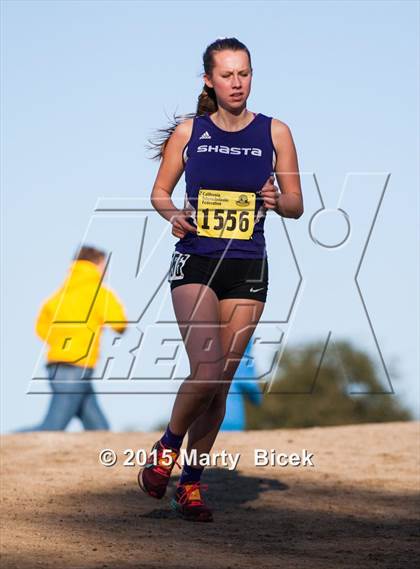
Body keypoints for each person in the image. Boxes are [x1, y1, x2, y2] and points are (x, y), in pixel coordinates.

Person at [138, 37, 303, 522]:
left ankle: (189, 486)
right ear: (209, 79)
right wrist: (173, 214)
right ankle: (167, 448)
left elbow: (295, 204)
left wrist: (278, 198)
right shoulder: (190, 132)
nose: (237, 83)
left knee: (222, 383)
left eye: (244, 73)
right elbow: (159, 192)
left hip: (248, 265)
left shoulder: (276, 133)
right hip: (197, 259)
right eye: (227, 75)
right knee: (206, 370)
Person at [25, 245, 127, 431]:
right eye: (103, 265)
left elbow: (40, 328)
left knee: (100, 430)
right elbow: (119, 324)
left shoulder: (58, 295)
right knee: (52, 427)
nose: (104, 270)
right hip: (76, 366)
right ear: (96, 265)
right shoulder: (99, 292)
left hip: (57, 364)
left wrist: (59, 342)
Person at [220, 340, 263, 431]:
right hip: (232, 420)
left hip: (202, 421)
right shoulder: (243, 359)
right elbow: (252, 389)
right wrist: (258, 399)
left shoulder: (208, 357)